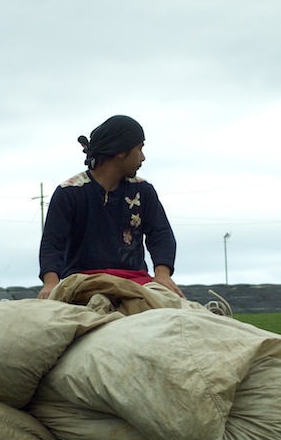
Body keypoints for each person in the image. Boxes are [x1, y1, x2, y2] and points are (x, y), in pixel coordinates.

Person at [38, 114, 184, 300]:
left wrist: (162, 275)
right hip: (82, 283)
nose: (143, 157)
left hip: (135, 284)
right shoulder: (70, 192)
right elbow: (52, 242)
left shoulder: (143, 190)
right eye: (139, 149)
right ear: (120, 152)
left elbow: (160, 234)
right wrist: (51, 283)